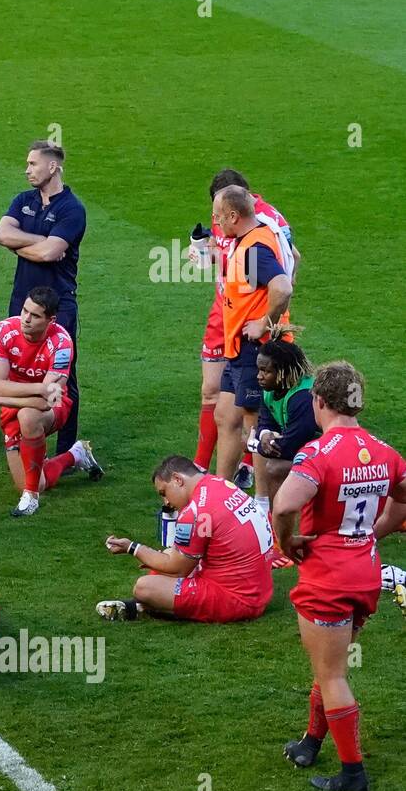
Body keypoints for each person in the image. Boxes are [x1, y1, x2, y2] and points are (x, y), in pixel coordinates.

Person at [272, 362, 406, 791]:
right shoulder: (385, 452)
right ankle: (311, 742)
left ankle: (353, 774)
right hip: (365, 574)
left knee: (332, 675)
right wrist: (373, 533)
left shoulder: (317, 454)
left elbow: (284, 504)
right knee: (329, 664)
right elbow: (403, 500)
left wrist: (286, 542)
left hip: (327, 578)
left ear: (319, 402)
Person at [190, 170, 297, 487]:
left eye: (218, 217)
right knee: (225, 415)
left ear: (234, 214)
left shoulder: (256, 244)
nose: (215, 222)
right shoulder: (243, 238)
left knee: (256, 425)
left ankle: (262, 500)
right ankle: (220, 493)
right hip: (235, 338)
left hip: (255, 346)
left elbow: (283, 284)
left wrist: (266, 321)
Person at [97, 455, 273, 622]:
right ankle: (147, 606)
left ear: (177, 479)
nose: (166, 502)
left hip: (238, 599)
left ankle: (146, 607)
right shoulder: (219, 484)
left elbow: (177, 569)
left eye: (164, 492)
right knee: (165, 560)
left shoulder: (195, 511)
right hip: (259, 589)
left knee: (144, 587)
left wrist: (133, 547)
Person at [0, 140, 87, 454]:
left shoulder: (72, 209)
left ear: (53, 166)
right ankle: (18, 436)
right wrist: (41, 242)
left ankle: (67, 448)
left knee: (64, 376)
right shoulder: (24, 200)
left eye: (33, 164)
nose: (27, 170)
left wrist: (22, 246)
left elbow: (50, 253)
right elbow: (1, 235)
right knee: (16, 367)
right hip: (22, 301)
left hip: (58, 304)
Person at [0, 287, 103, 516]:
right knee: (36, 481)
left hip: (54, 406)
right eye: (25, 311)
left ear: (50, 320)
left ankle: (31, 497)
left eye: (34, 315)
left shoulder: (61, 343)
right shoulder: (4, 330)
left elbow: (47, 402)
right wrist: (38, 388)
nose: (26, 319)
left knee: (28, 416)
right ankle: (76, 454)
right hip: (14, 404)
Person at [254, 336, 318, 535]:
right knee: (274, 465)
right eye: (259, 369)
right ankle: (279, 528)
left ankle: (282, 532)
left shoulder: (303, 397)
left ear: (283, 372)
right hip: (312, 449)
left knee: (275, 467)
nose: (259, 376)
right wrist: (265, 435)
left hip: (330, 454)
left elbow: (288, 448)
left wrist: (258, 445)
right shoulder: (271, 389)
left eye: (266, 371)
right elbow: (265, 420)